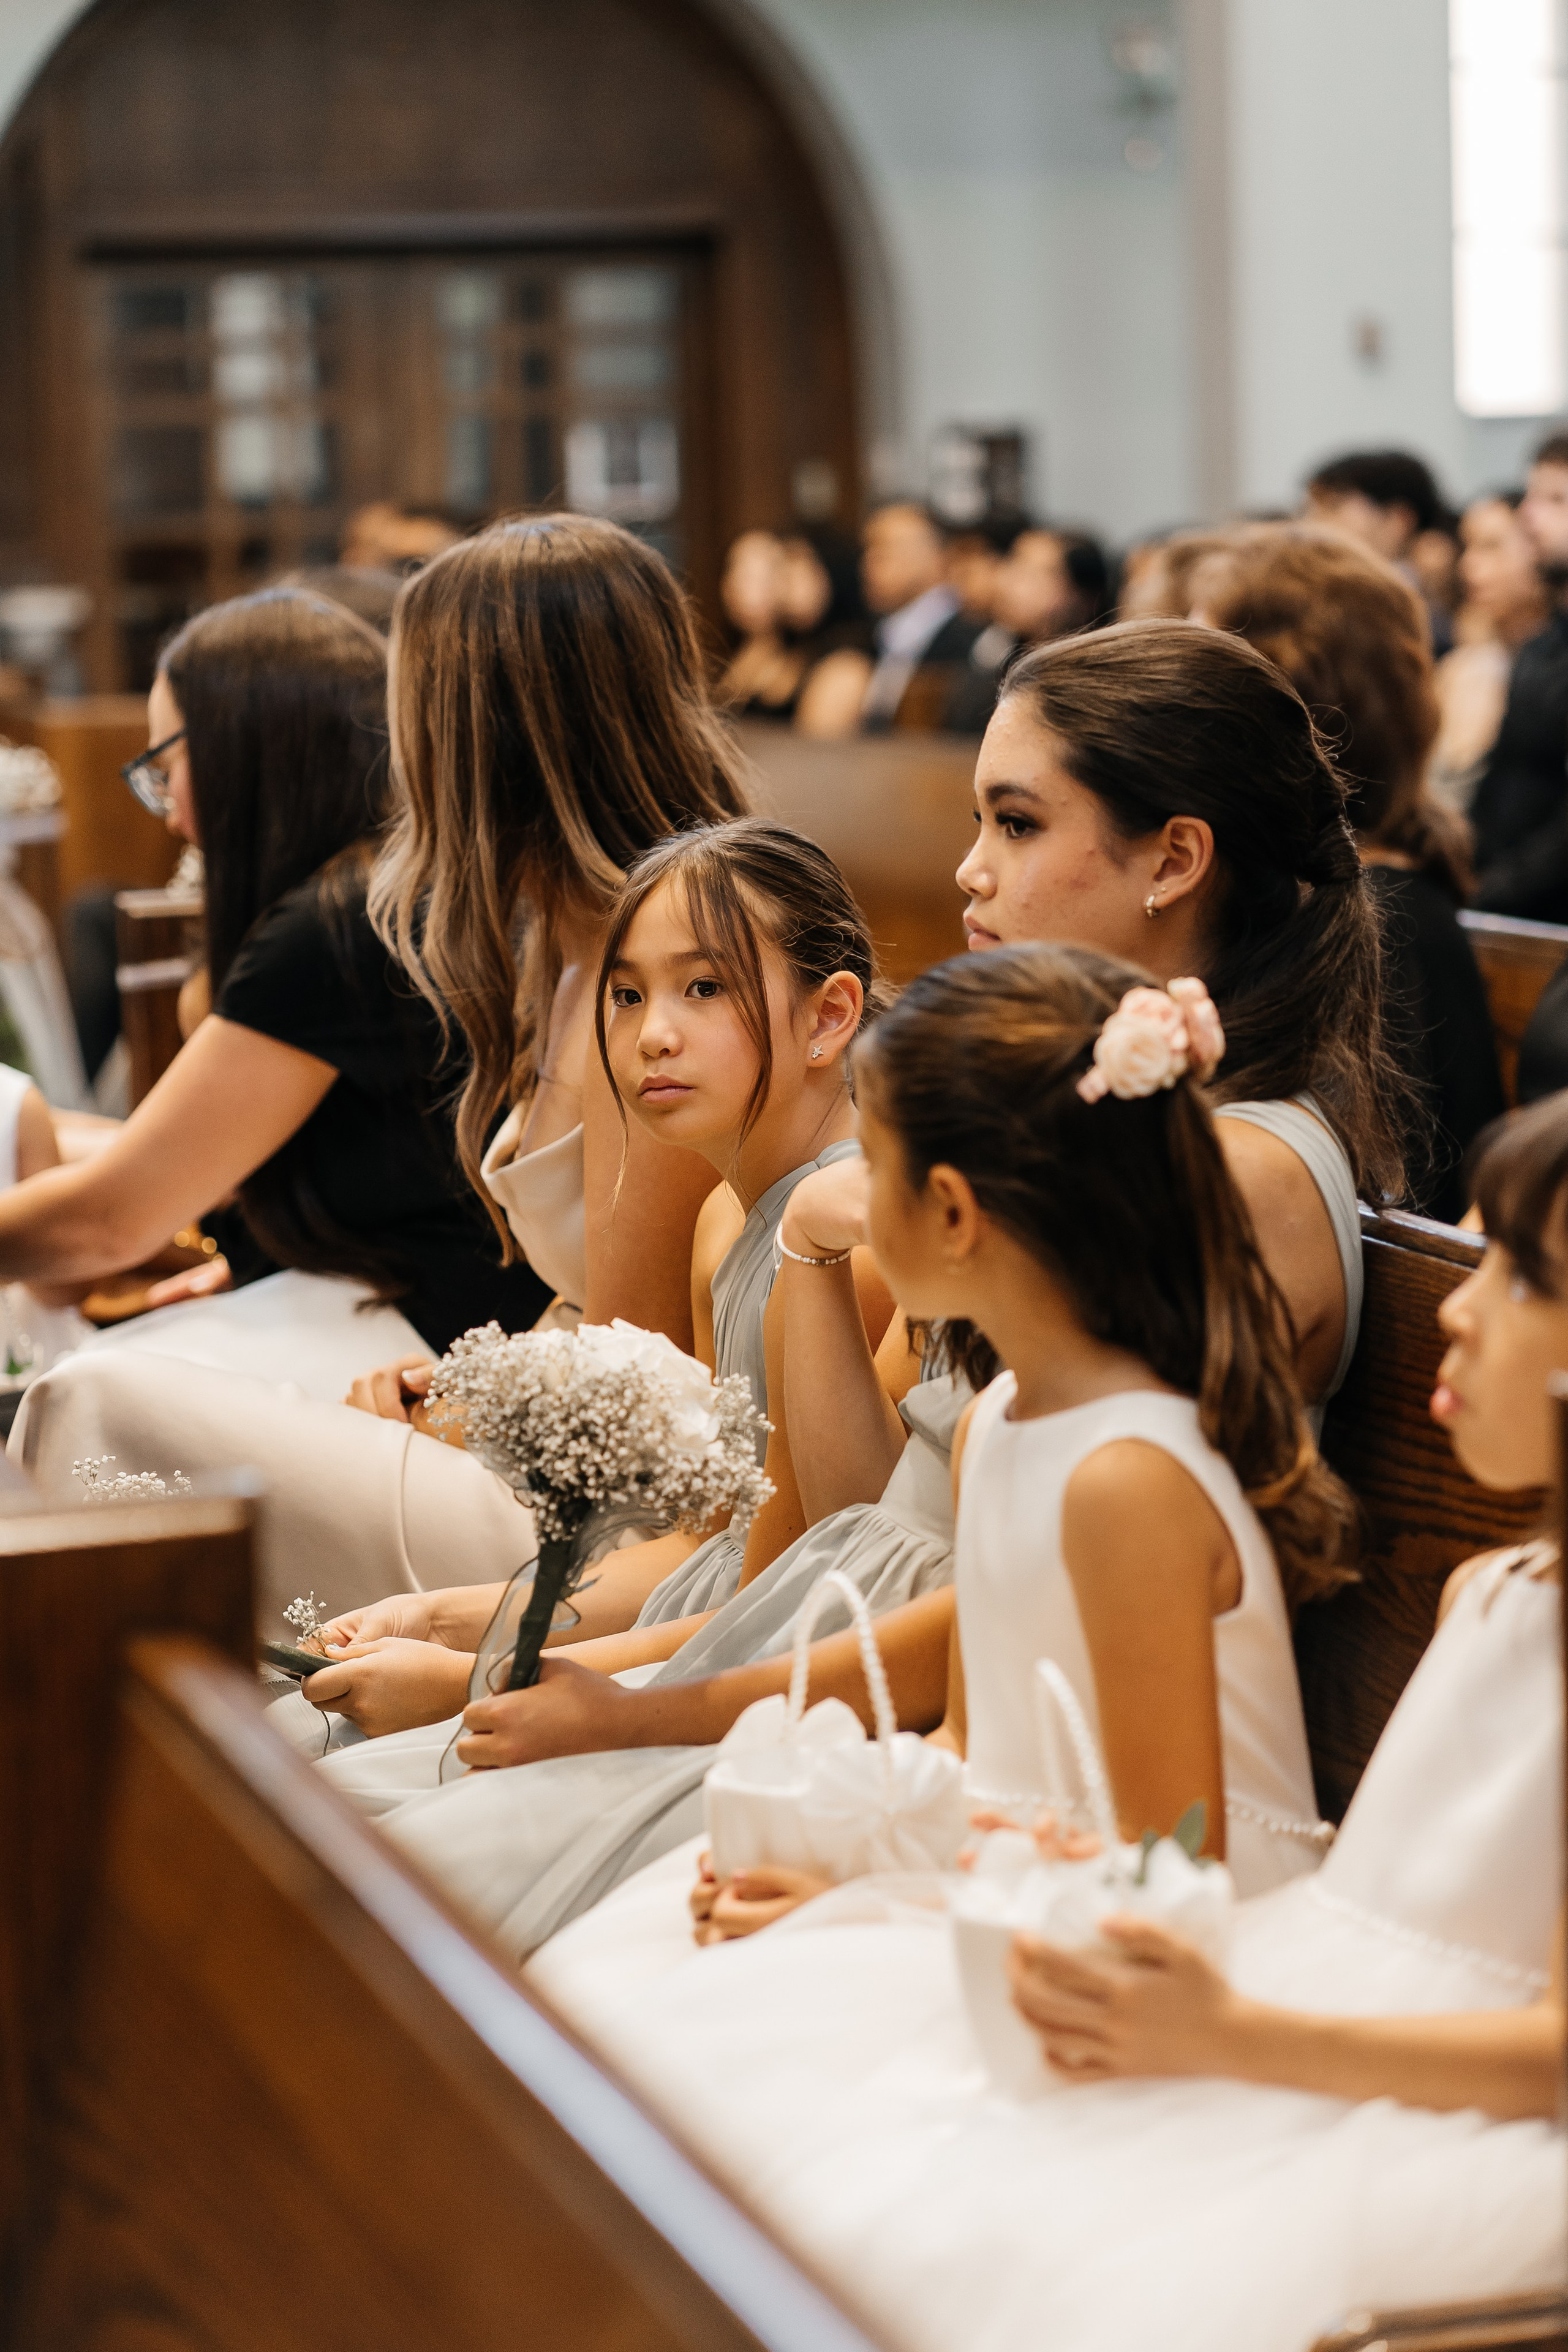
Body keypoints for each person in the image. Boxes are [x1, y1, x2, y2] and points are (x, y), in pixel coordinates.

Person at [276, 620, 1403, 1962]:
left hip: (996, 1767)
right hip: (862, 1671)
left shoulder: (1231, 1172)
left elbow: (1033, 1602)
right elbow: (864, 1510)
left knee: (352, 1890)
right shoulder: (1097, 1134)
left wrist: (630, 1710)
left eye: (1017, 823)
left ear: (1173, 858)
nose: (970, 868)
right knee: (311, 1802)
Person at [524, 1090, 1567, 2352]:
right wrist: (893, 1875)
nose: (1457, 1305)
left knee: (959, 2235)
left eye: (1519, 1277)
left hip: (1434, 2089)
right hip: (1308, 1980)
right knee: (759, 2091)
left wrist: (1229, 2033)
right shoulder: (1493, 1588)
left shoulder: (1135, 1477)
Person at [12, 521, 749, 1617]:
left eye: (416, 713)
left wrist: (466, 1400)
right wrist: (462, 1384)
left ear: (481, 736)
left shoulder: (653, 976)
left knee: (90, 1404)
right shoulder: (560, 947)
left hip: (596, 1517)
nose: (398, 760)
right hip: (507, 1407)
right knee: (112, 1398)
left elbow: (642, 1375)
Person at [272, 817, 896, 1744]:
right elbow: (707, 1546)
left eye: (704, 987)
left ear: (828, 1016)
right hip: (706, 1631)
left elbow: (794, 1590)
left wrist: (473, 1680)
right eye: (628, 995)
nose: (653, 1036)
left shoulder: (851, 1246)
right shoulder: (723, 1221)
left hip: (773, 1682)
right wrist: (442, 1620)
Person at [0, 586, 547, 1376]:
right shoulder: (387, 892)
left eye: (165, 766)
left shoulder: (333, 930)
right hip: (413, 1302)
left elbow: (110, 1221)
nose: (167, 811)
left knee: (80, 1389)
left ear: (244, 753)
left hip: (430, 1340)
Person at [1191, 522, 1502, 1222]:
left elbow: (1398, 1203)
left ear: (1284, 708)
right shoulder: (1338, 890)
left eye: (1202, 682)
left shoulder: (1375, 917)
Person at [1469, 428, 1568, 919]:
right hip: (1505, 905)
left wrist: (1492, 893)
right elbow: (1501, 778)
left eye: (1556, 499)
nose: (1528, 515)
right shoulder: (1540, 649)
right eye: (1531, 495)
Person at [795, 502, 981, 739]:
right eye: (868, 549)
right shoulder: (863, 638)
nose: (869, 561)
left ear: (937, 557)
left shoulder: (976, 645)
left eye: (886, 548)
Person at [1432, 492, 1549, 811]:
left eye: (1491, 546)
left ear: (1537, 549)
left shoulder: (1551, 669)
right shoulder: (1462, 666)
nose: (1467, 565)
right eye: (1467, 547)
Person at [944, 526, 1112, 734]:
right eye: (1013, 564)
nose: (1007, 582)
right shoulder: (994, 650)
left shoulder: (1095, 683)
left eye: (1031, 573)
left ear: (1082, 596)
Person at [1303, 447, 1455, 652]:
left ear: (1398, 520)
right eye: (1311, 509)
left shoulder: (1430, 621)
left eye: (1333, 506)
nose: (1312, 523)